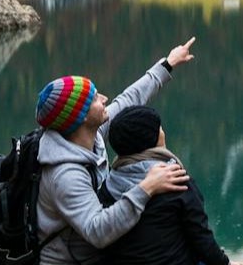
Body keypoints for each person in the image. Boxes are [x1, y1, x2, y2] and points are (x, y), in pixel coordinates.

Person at [33, 38, 197, 264]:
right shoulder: (65, 175)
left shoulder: (91, 133)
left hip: (101, 251)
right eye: (95, 99)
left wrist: (168, 64)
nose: (104, 99)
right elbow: (97, 231)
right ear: (80, 117)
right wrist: (147, 186)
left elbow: (129, 99)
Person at [101, 106, 241, 265]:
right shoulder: (175, 180)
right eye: (159, 128)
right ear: (153, 138)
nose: (163, 132)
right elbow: (202, 239)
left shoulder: (109, 184)